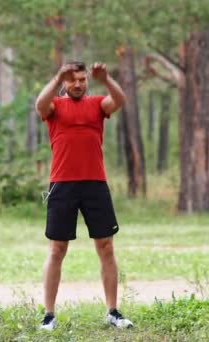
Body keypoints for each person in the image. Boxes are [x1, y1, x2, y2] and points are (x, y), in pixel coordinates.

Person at [35, 61, 133, 330]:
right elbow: (39, 105)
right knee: (57, 249)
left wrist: (107, 79)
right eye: (72, 80)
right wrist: (57, 77)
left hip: (95, 184)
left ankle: (113, 311)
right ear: (65, 82)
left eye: (81, 79)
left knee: (106, 247)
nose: (77, 84)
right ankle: (49, 315)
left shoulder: (98, 104)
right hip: (62, 185)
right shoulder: (55, 106)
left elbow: (120, 100)